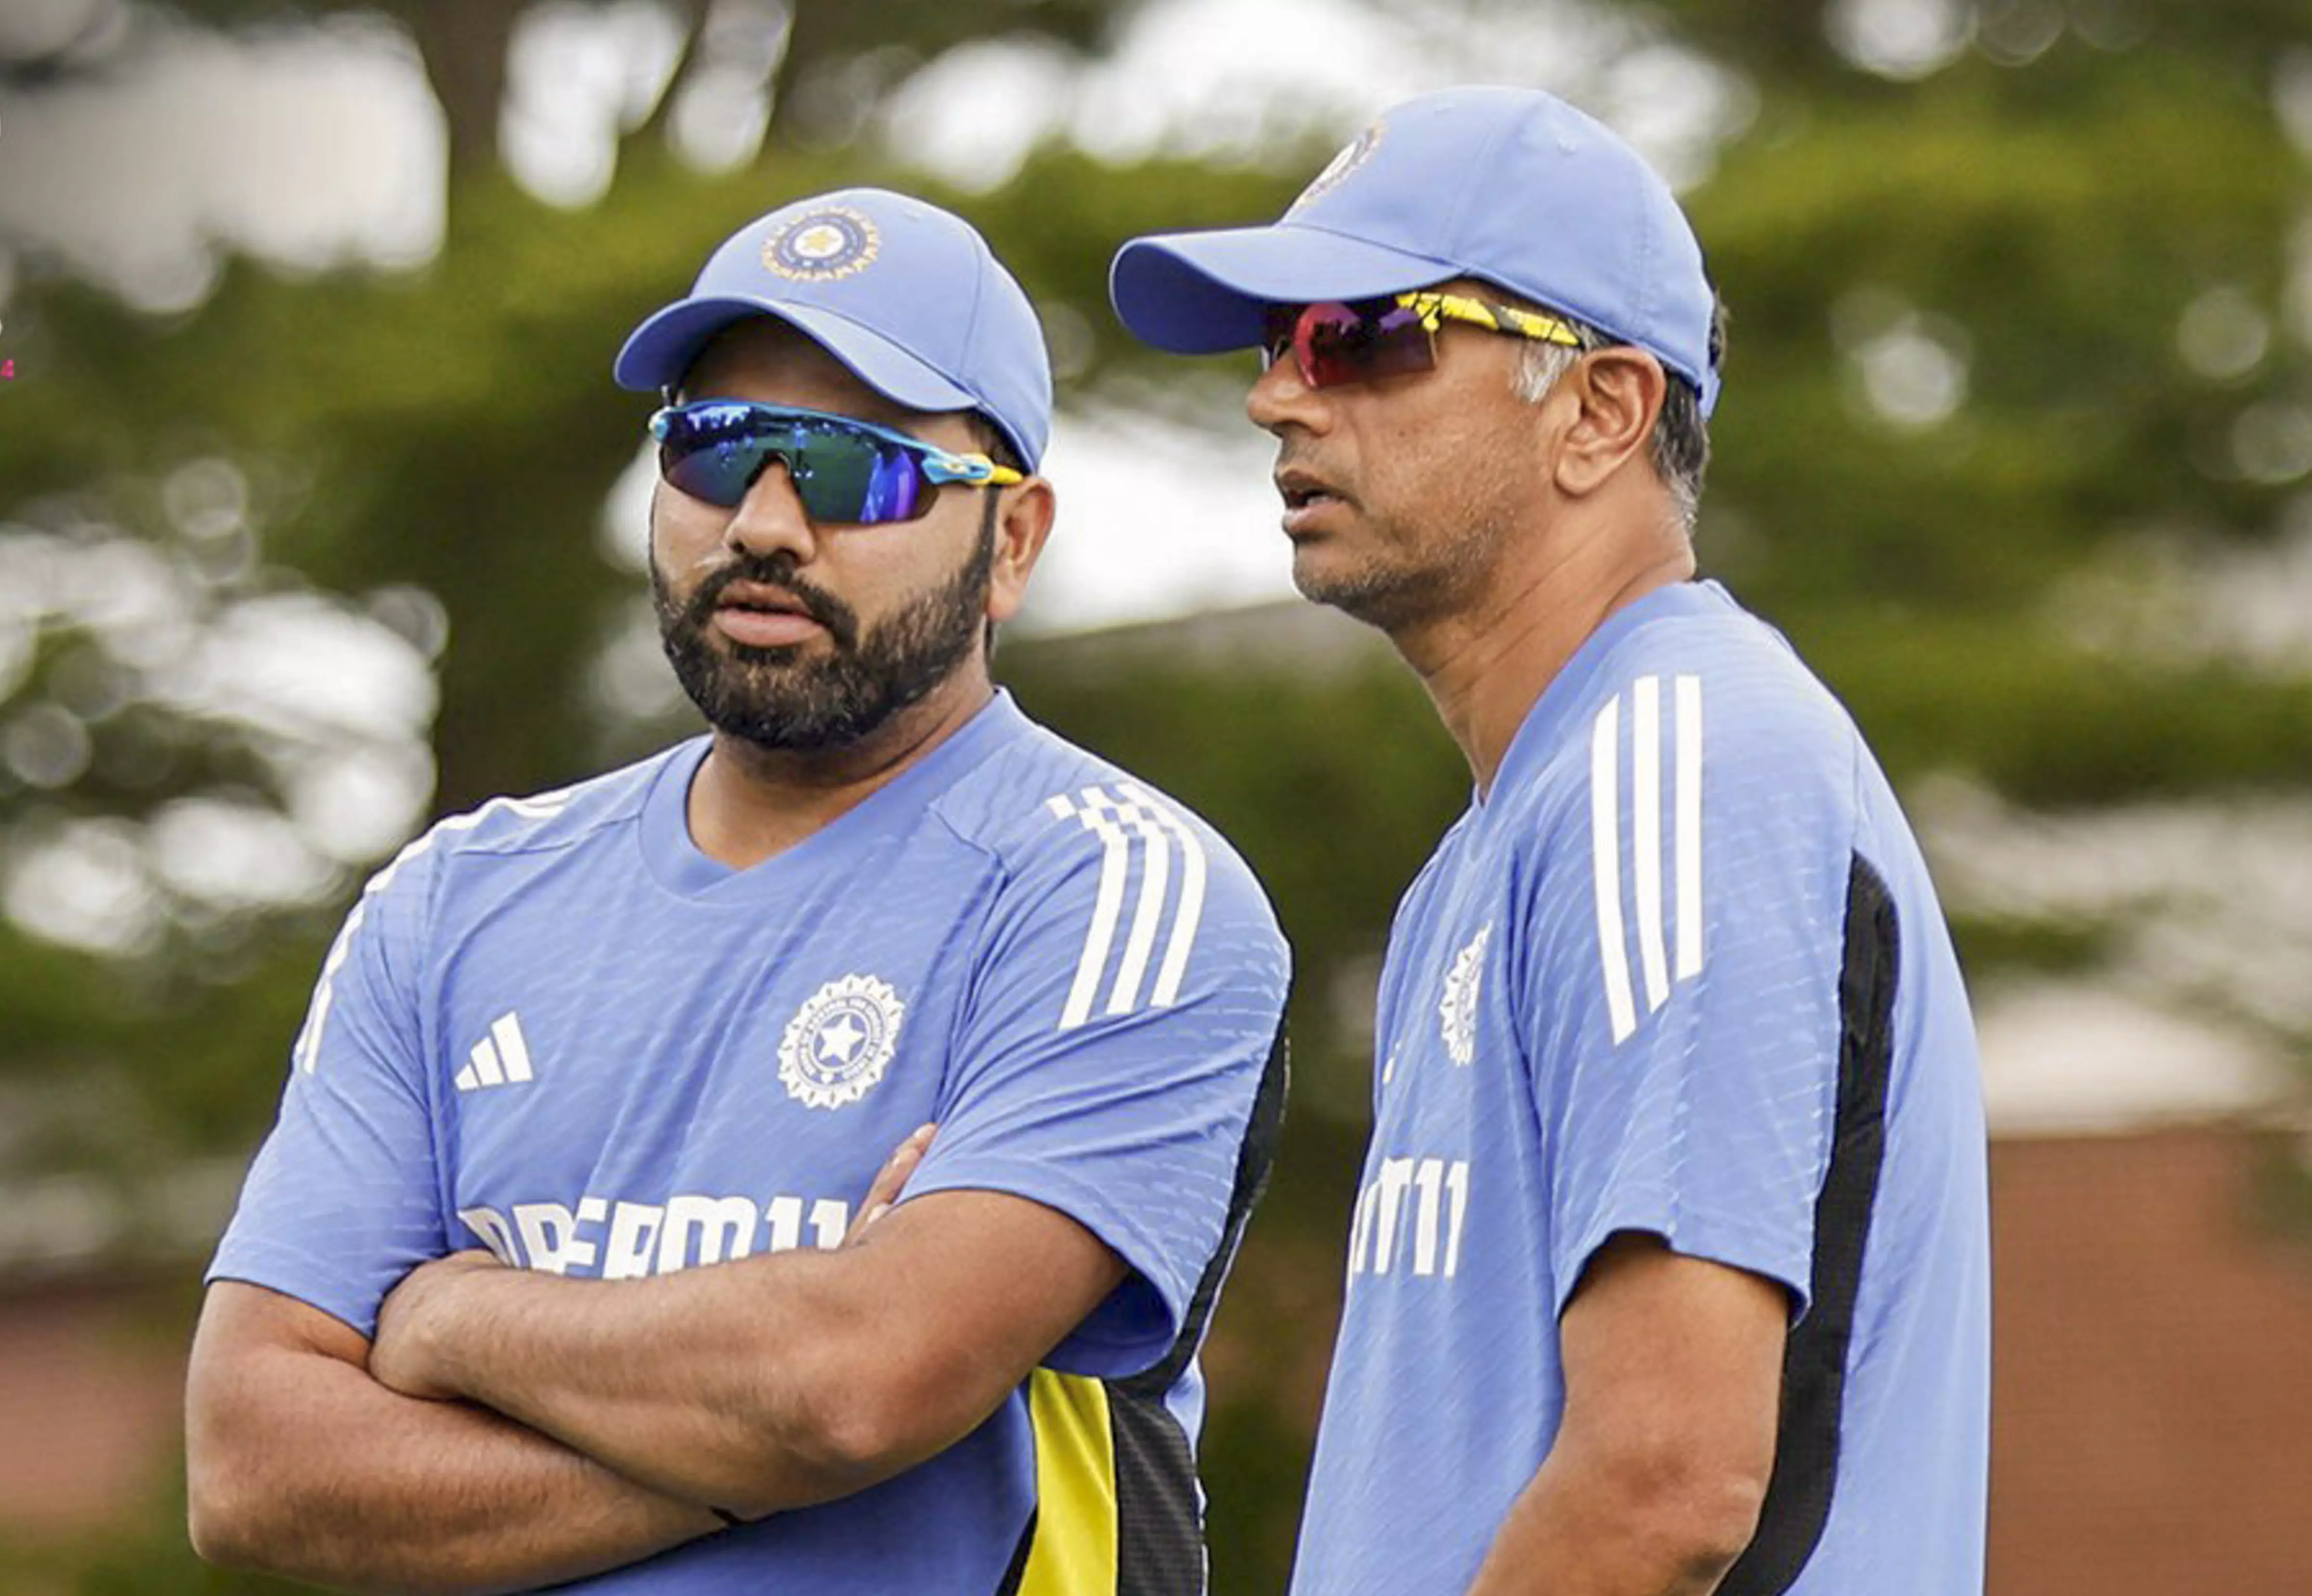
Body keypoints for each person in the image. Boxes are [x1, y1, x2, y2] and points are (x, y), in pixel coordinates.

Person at [186, 186, 1290, 1596]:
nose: (765, 523)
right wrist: (756, 1434)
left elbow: (854, 1387)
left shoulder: (1114, 888)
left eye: (852, 470)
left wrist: (456, 1322)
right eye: (718, 451)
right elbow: (253, 1468)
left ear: (1012, 543)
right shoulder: (456, 899)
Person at [1109, 86, 1989, 1596]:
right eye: (1276, 343)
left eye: (1363, 336)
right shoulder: (1507, 839)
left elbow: (1667, 1486)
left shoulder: (1680, 758)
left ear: (1603, 413)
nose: (1279, 397)